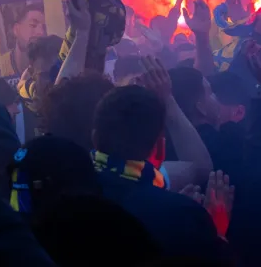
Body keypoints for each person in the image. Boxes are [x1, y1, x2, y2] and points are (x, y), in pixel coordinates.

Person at [92, 84, 228, 261]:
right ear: (159, 149)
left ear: (94, 139)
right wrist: (214, 231)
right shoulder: (180, 215)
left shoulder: (64, 189)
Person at [0, 2, 47, 77]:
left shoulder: (48, 64)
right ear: (16, 29)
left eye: (44, 28)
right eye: (33, 25)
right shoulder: (1, 66)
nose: (41, 32)